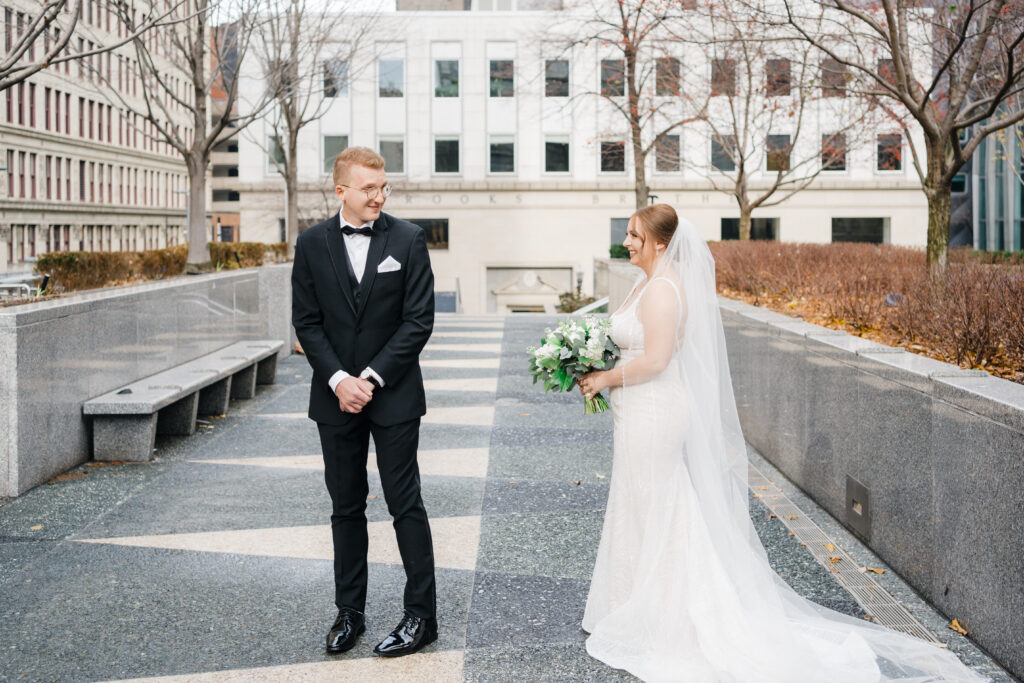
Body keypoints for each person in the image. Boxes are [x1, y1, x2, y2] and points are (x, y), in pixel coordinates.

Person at [576, 204, 986, 682]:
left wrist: (607, 378)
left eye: (635, 236)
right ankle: (636, 604)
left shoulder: (663, 291)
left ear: (661, 243)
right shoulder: (645, 284)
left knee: (657, 504)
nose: (626, 242)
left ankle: (665, 615)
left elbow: (658, 361)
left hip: (655, 411)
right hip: (639, 412)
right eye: (627, 235)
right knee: (640, 504)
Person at [291, 146, 438, 658]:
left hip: (394, 396)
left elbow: (418, 320)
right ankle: (349, 611)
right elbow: (306, 322)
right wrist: (337, 379)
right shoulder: (310, 244)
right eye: (369, 188)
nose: (378, 196)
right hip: (334, 400)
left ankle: (422, 616)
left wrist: (370, 379)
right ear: (341, 192)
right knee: (345, 507)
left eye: (383, 187)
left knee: (405, 505)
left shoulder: (408, 239)